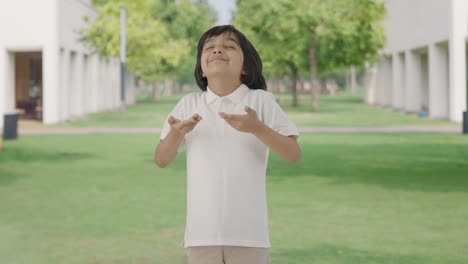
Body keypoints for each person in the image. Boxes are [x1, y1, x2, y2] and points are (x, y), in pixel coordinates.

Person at [154, 25, 301, 264]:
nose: (217, 50)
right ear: (202, 69)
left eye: (229, 46)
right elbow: (161, 159)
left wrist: (257, 128)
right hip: (201, 235)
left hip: (249, 235)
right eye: (209, 48)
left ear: (245, 67)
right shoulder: (188, 104)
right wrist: (175, 134)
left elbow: (293, 154)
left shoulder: (260, 101)